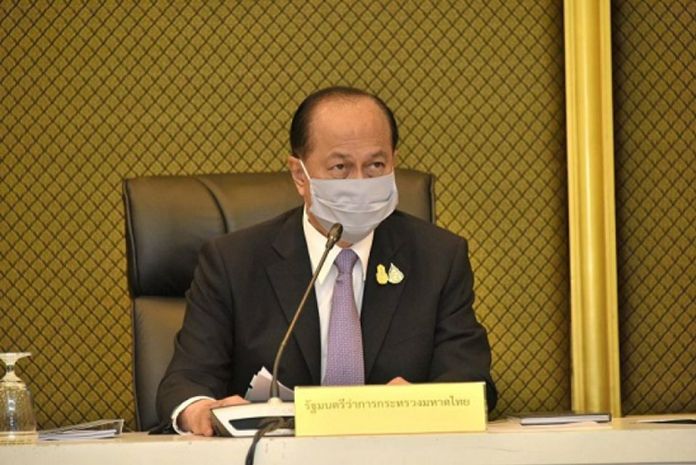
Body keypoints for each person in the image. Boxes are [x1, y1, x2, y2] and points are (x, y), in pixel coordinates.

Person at [156, 86, 497, 435]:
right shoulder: (233, 262)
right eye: (340, 167)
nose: (360, 182)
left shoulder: (438, 258)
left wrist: (426, 402)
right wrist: (199, 411)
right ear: (299, 175)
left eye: (376, 165)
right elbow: (186, 382)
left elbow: (472, 382)